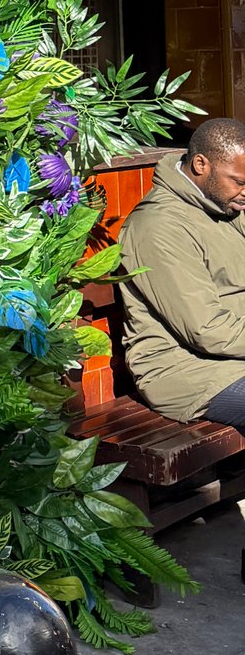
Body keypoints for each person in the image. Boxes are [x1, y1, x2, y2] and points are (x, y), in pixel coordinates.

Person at [119, 116, 245, 429]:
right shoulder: (157, 227)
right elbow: (207, 330)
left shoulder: (226, 205)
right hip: (190, 373)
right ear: (201, 165)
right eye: (239, 181)